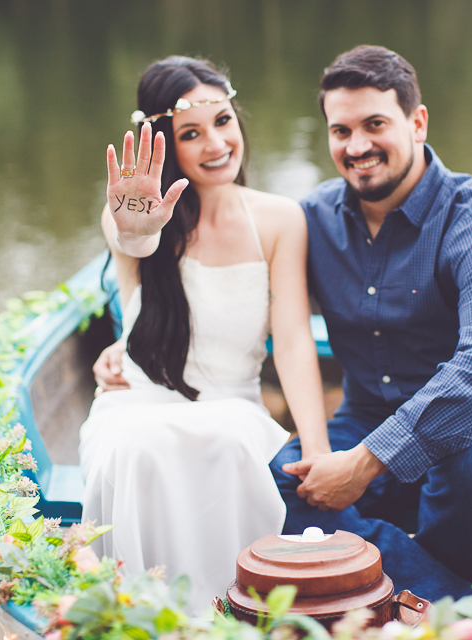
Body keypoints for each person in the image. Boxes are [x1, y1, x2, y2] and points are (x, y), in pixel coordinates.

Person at [267, 45, 472, 601]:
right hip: (367, 413)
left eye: (375, 125)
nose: (357, 146)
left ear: (417, 122)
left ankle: (390, 587)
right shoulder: (312, 220)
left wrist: (366, 463)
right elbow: (234, 295)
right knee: (275, 475)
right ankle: (443, 599)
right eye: (340, 130)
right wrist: (127, 338)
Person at [80, 56, 329, 613]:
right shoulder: (134, 212)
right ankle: (149, 613)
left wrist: (316, 447)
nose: (215, 143)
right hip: (139, 400)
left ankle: (229, 611)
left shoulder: (280, 219)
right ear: (165, 143)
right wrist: (137, 227)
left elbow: (291, 340)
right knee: (135, 447)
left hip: (231, 403)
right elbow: (135, 242)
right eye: (190, 133)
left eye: (223, 121)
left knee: (232, 441)